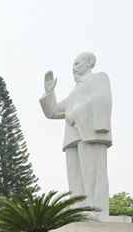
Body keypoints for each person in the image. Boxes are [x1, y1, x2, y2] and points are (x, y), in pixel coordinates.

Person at [40, 51, 113, 218]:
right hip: (72, 138)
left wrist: (76, 112)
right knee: (75, 177)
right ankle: (78, 210)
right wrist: (49, 92)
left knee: (93, 173)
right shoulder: (74, 92)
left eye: (77, 64)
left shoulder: (98, 78)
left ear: (90, 62)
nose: (73, 68)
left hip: (90, 133)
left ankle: (97, 210)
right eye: (72, 65)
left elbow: (103, 98)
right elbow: (54, 112)